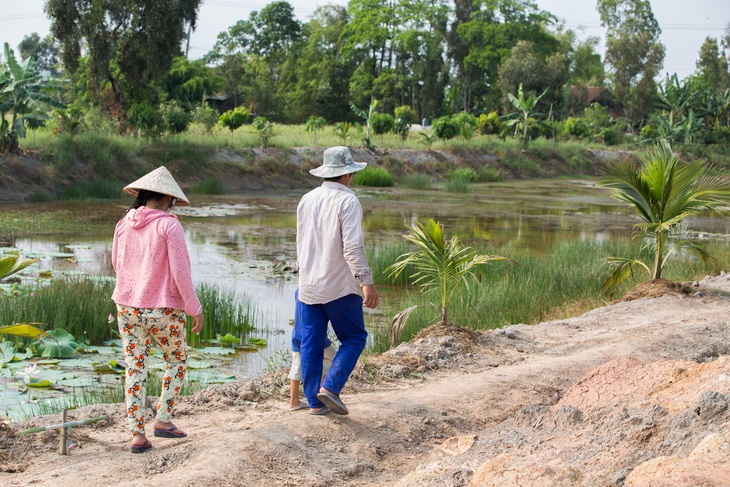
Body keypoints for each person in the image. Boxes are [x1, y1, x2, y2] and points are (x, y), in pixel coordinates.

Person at [111, 166, 204, 453]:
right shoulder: (169, 224)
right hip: (162, 309)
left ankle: (137, 435)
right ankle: (163, 421)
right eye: (173, 200)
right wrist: (194, 307)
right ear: (167, 198)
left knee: (135, 367)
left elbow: (116, 263)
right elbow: (181, 271)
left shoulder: (124, 222)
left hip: (126, 306)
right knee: (176, 360)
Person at [296, 146, 379, 416]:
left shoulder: (306, 199)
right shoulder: (348, 201)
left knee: (311, 343)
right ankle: (330, 388)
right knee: (354, 338)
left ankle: (315, 403)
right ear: (347, 175)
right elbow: (352, 247)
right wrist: (366, 281)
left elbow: (301, 243)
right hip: (339, 286)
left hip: (308, 285)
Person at [288, 290, 337, 411]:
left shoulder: (299, 289)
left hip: (297, 334)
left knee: (297, 366)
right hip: (312, 335)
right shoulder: (316, 291)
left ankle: (294, 400)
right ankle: (322, 394)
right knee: (334, 359)